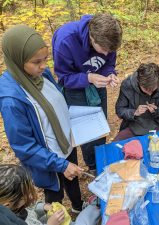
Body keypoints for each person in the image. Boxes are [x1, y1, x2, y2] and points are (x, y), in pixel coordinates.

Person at [0, 25, 84, 213]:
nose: (44, 66)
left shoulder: (41, 74)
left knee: (73, 179)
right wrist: (61, 165)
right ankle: (57, 218)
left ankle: (78, 207)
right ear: (17, 60)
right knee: (55, 195)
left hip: (66, 143)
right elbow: (24, 147)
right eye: (37, 61)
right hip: (48, 159)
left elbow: (55, 101)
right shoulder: (12, 99)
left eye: (45, 59)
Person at [52, 13, 122, 172]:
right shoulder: (66, 40)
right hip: (76, 90)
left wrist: (110, 74)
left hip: (98, 86)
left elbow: (109, 63)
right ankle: (92, 166)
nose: (106, 53)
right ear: (92, 37)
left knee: (100, 126)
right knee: (86, 131)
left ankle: (100, 160)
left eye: (110, 50)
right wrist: (88, 78)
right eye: (103, 49)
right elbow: (64, 78)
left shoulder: (109, 39)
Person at [0, 164, 100, 225]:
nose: (31, 196)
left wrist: (43, 207)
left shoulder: (12, 207)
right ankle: (96, 205)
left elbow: (30, 207)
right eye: (26, 196)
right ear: (7, 205)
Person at [114, 63, 159, 141]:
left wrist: (156, 110)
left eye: (152, 89)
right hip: (132, 125)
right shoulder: (127, 84)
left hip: (157, 124)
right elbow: (120, 110)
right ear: (138, 82)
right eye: (146, 89)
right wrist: (134, 112)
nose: (149, 93)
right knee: (116, 146)